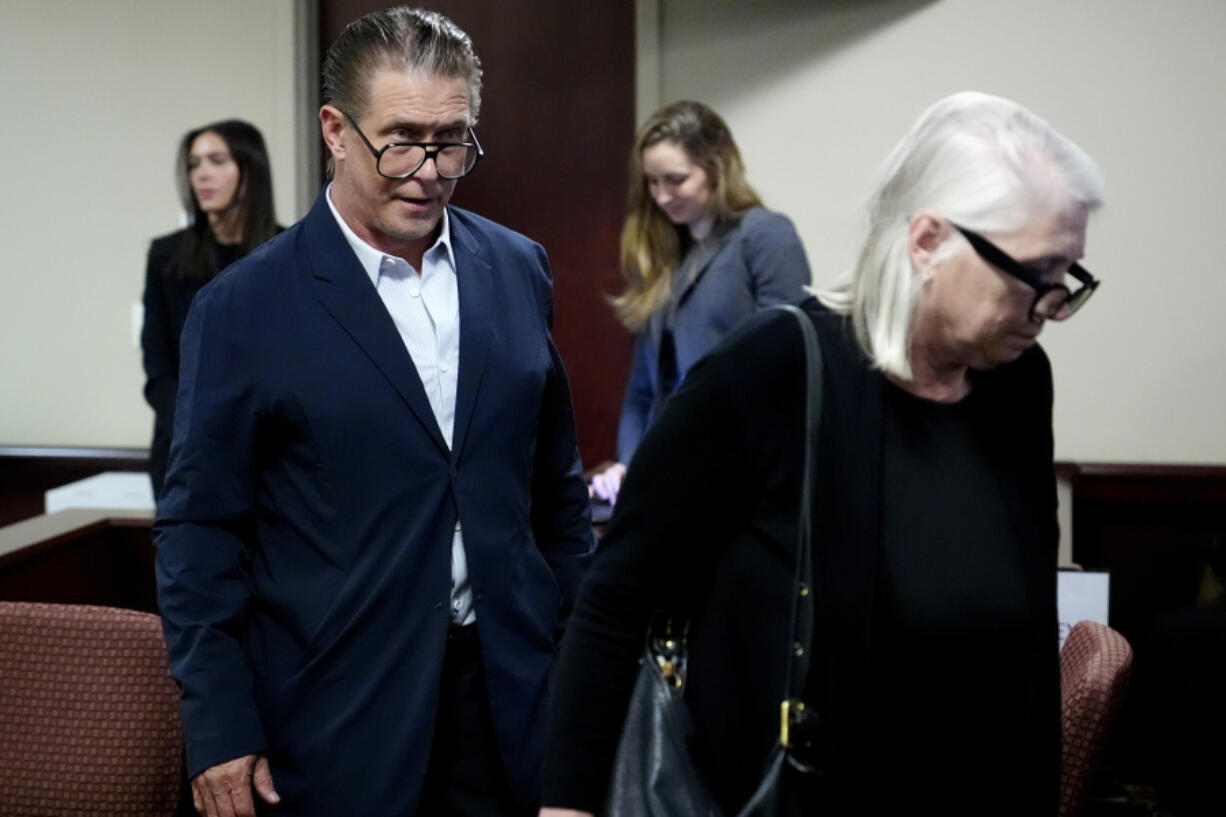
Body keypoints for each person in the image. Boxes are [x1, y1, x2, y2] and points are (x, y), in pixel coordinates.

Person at [541, 91, 1104, 817]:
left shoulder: (1019, 384)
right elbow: (617, 594)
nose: (1053, 305)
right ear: (927, 241)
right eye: (1034, 275)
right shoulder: (775, 367)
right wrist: (568, 805)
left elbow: (1029, 654)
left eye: (1069, 278)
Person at [155, 7, 594, 817]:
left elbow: (554, 495)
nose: (428, 169)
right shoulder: (244, 308)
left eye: (453, 139)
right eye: (400, 139)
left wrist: (583, 682)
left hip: (510, 707)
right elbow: (199, 531)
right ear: (335, 130)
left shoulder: (517, 268)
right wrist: (217, 723)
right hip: (333, 722)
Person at [588, 101, 810, 505]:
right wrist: (630, 467)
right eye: (652, 182)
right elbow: (642, 390)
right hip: (670, 469)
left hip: (742, 477)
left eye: (676, 180)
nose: (661, 196)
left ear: (716, 169)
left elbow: (790, 370)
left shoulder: (764, 235)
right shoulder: (666, 255)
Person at [141, 119, 279, 497]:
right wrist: (201, 430)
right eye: (194, 164)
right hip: (185, 456)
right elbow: (158, 371)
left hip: (270, 457)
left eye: (216, 160)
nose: (202, 174)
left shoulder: (288, 253)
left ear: (250, 170)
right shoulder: (166, 257)